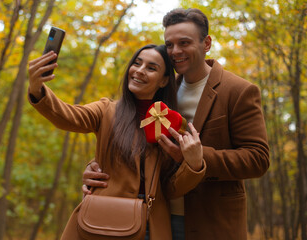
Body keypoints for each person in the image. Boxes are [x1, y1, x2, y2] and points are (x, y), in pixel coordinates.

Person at [82, 8, 270, 240]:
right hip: (156, 218)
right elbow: (139, 143)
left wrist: (196, 159)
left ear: (207, 43)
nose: (175, 51)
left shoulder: (239, 91)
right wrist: (99, 167)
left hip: (211, 221)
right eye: (169, 44)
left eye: (184, 43)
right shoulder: (160, 89)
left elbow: (258, 159)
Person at [28, 44, 206, 240]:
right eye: (137, 63)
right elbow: (68, 116)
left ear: (164, 81)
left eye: (151, 67)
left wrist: (194, 164)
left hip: (148, 226)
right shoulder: (107, 110)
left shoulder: (170, 123)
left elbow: (173, 188)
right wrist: (38, 89)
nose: (139, 70)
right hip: (100, 221)